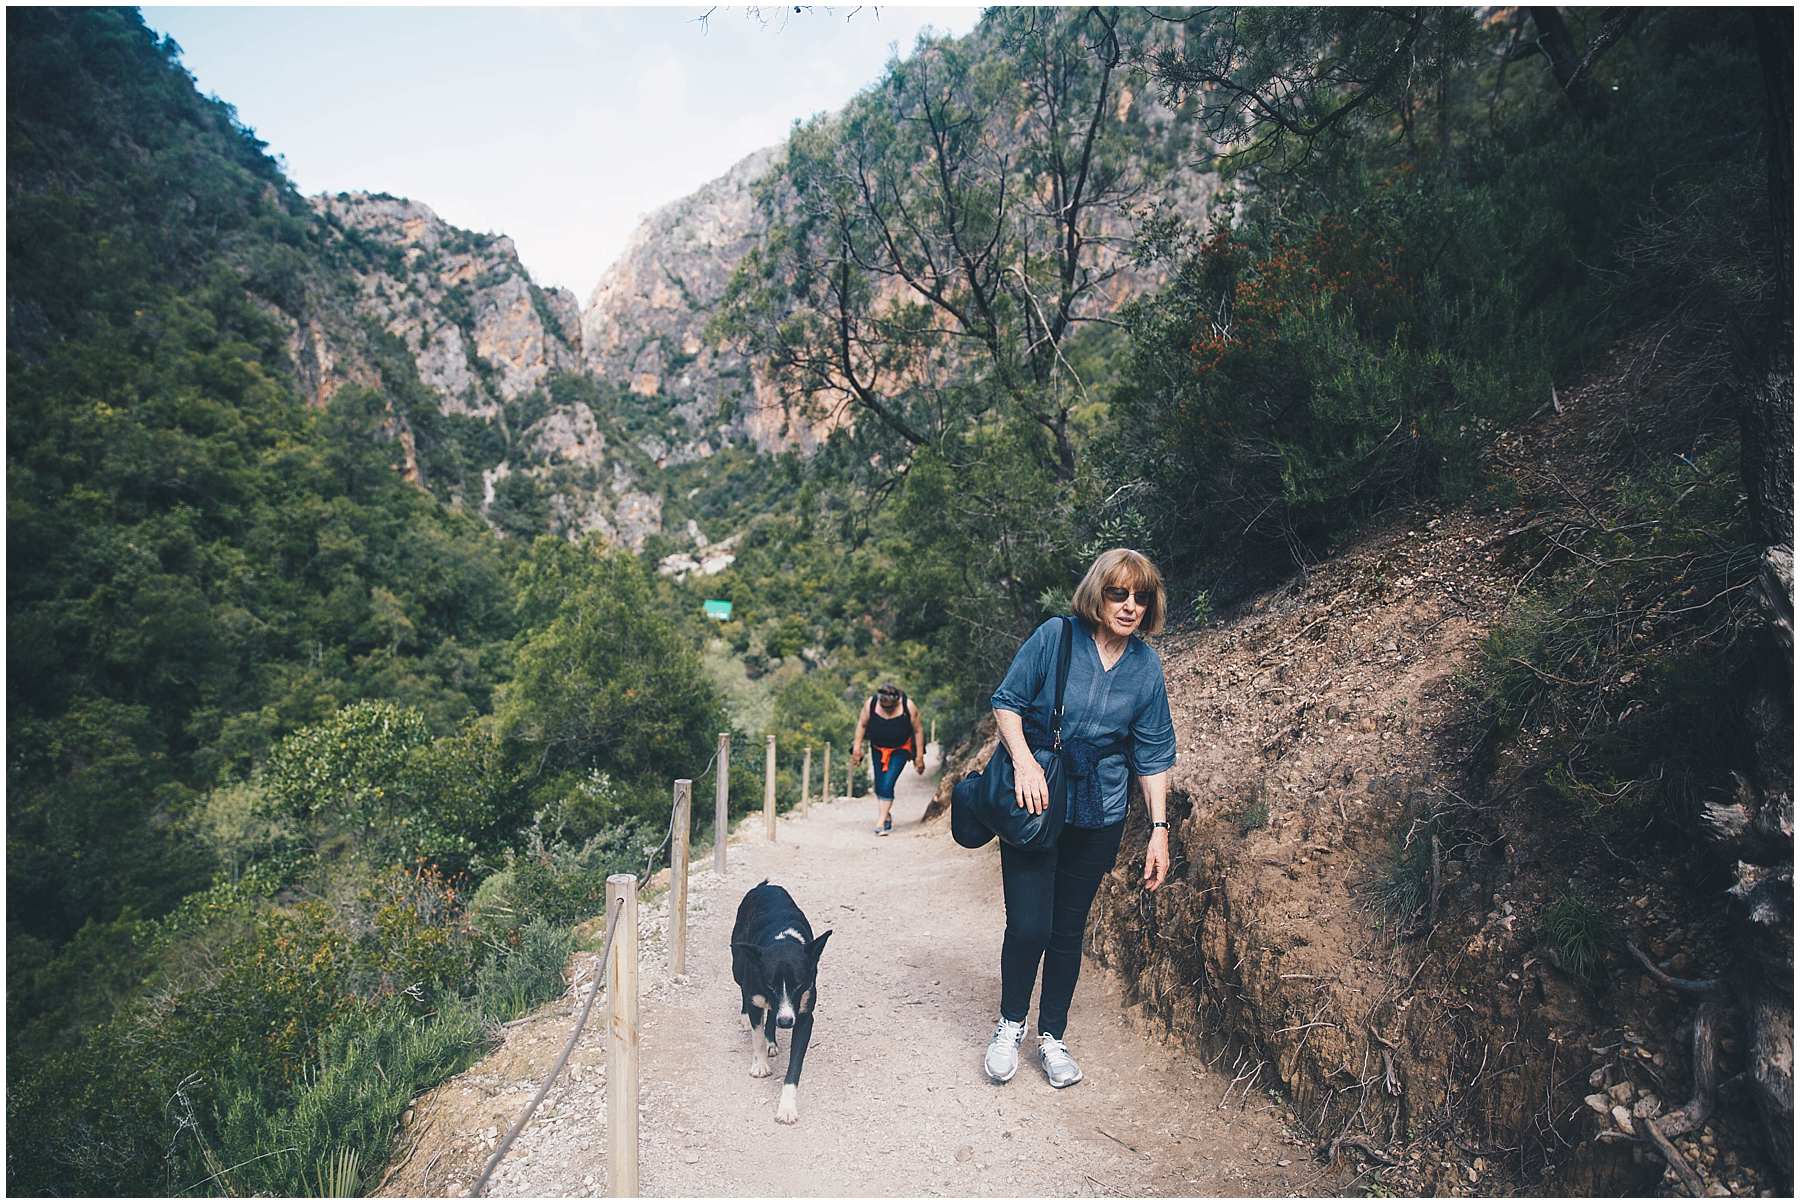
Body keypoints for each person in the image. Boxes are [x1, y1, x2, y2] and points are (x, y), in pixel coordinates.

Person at [980, 548, 1176, 1088]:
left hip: (1100, 810)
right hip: (1037, 802)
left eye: (1141, 596)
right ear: (1098, 594)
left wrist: (1159, 830)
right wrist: (1023, 763)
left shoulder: (1145, 667)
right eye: (1118, 593)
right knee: (1028, 925)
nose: (1130, 605)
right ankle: (1010, 1025)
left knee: (1068, 930)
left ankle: (1052, 1037)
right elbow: (1008, 701)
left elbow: (1153, 753)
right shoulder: (1055, 637)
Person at [851, 682, 925, 836]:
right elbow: (862, 725)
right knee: (879, 785)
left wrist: (919, 757)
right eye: (884, 706)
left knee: (888, 782)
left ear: (897, 700)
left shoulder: (908, 706)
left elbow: (918, 731)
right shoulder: (870, 704)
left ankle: (881, 823)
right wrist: (857, 748)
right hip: (878, 749)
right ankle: (887, 816)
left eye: (890, 707)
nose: (887, 710)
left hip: (901, 749)